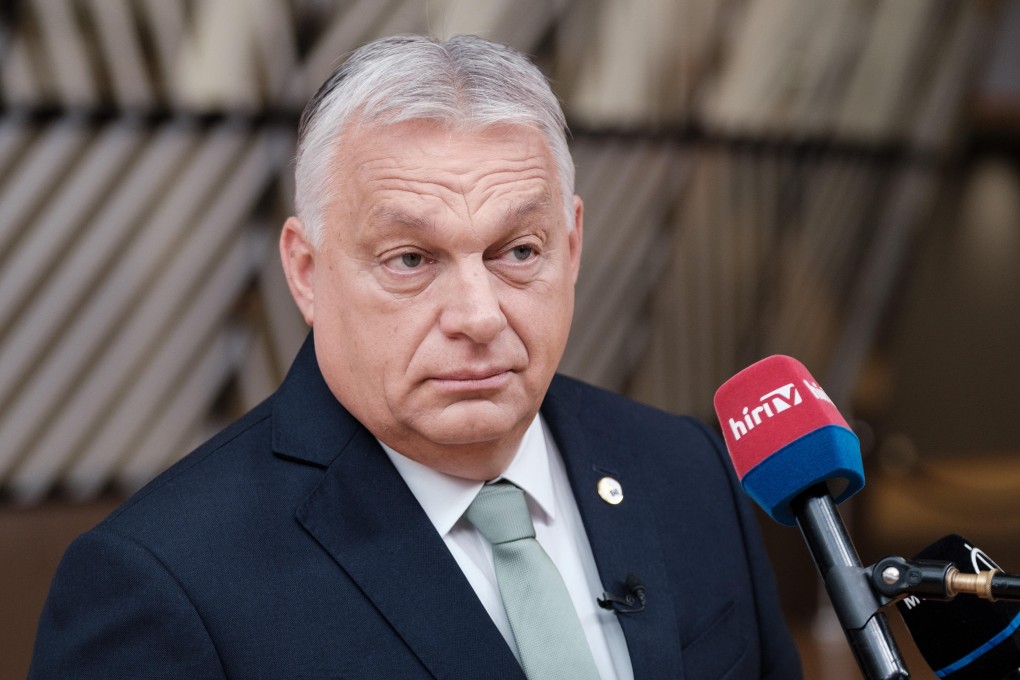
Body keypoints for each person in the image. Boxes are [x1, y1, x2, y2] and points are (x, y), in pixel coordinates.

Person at [29, 34, 803, 679]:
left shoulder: (689, 470)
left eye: (518, 251)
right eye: (410, 260)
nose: (477, 316)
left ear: (572, 247)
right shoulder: (163, 582)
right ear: (307, 271)